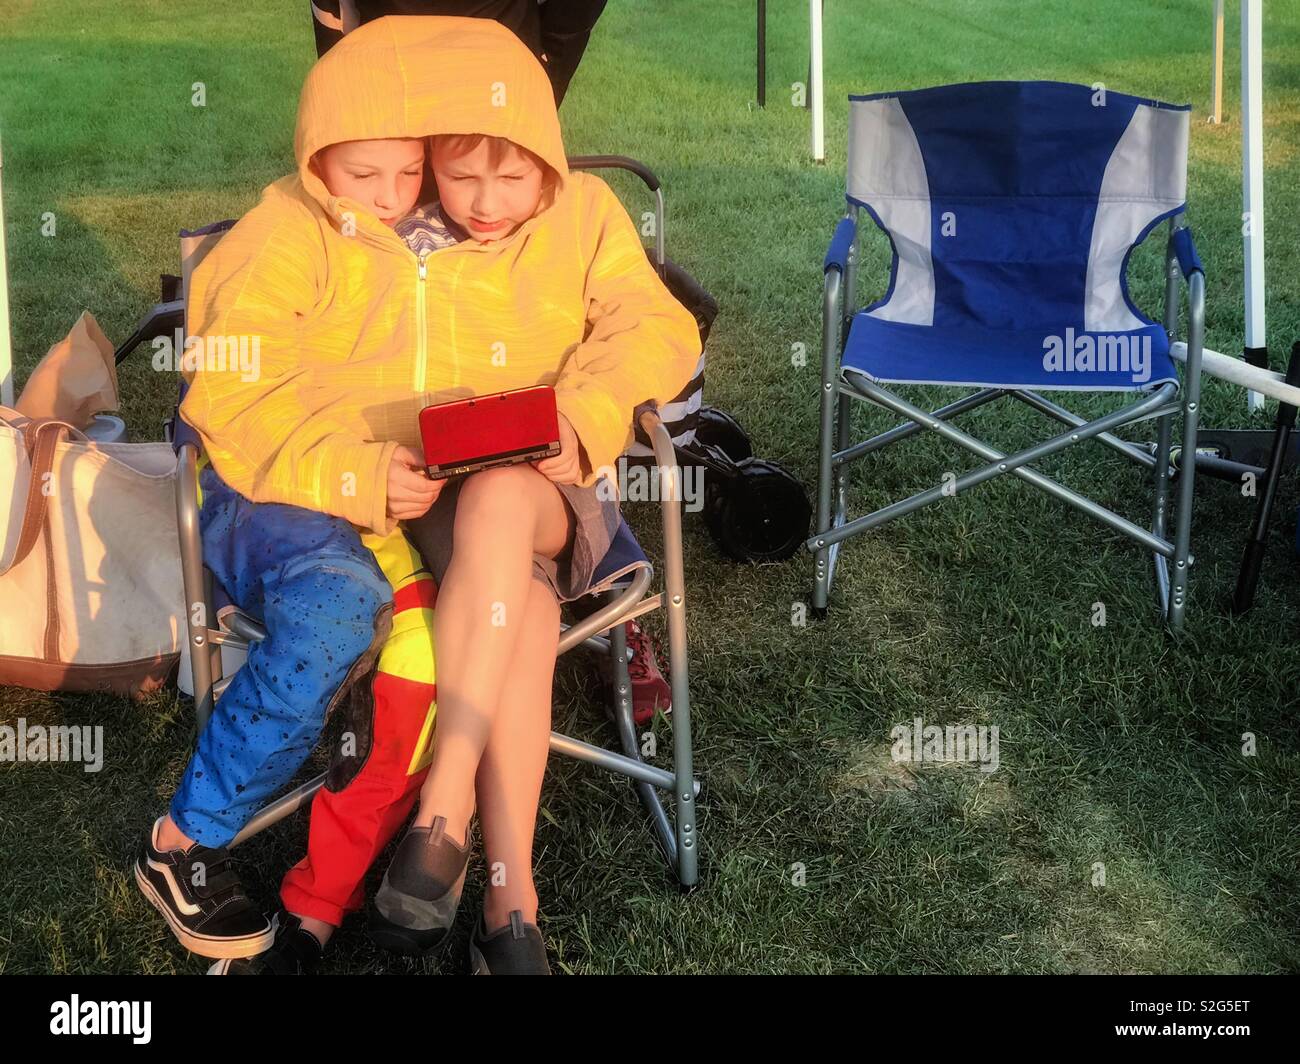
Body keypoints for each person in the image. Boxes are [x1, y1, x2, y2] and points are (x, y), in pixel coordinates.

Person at [178, 16, 699, 975]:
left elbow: (655, 327)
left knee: (500, 498)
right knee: (520, 607)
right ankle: (510, 902)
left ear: (549, 156)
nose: (486, 203)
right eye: (457, 176)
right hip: (390, 500)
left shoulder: (584, 213)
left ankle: (446, 803)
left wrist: (583, 414)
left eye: (515, 177)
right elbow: (231, 376)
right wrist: (352, 466)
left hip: (542, 484)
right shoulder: (305, 223)